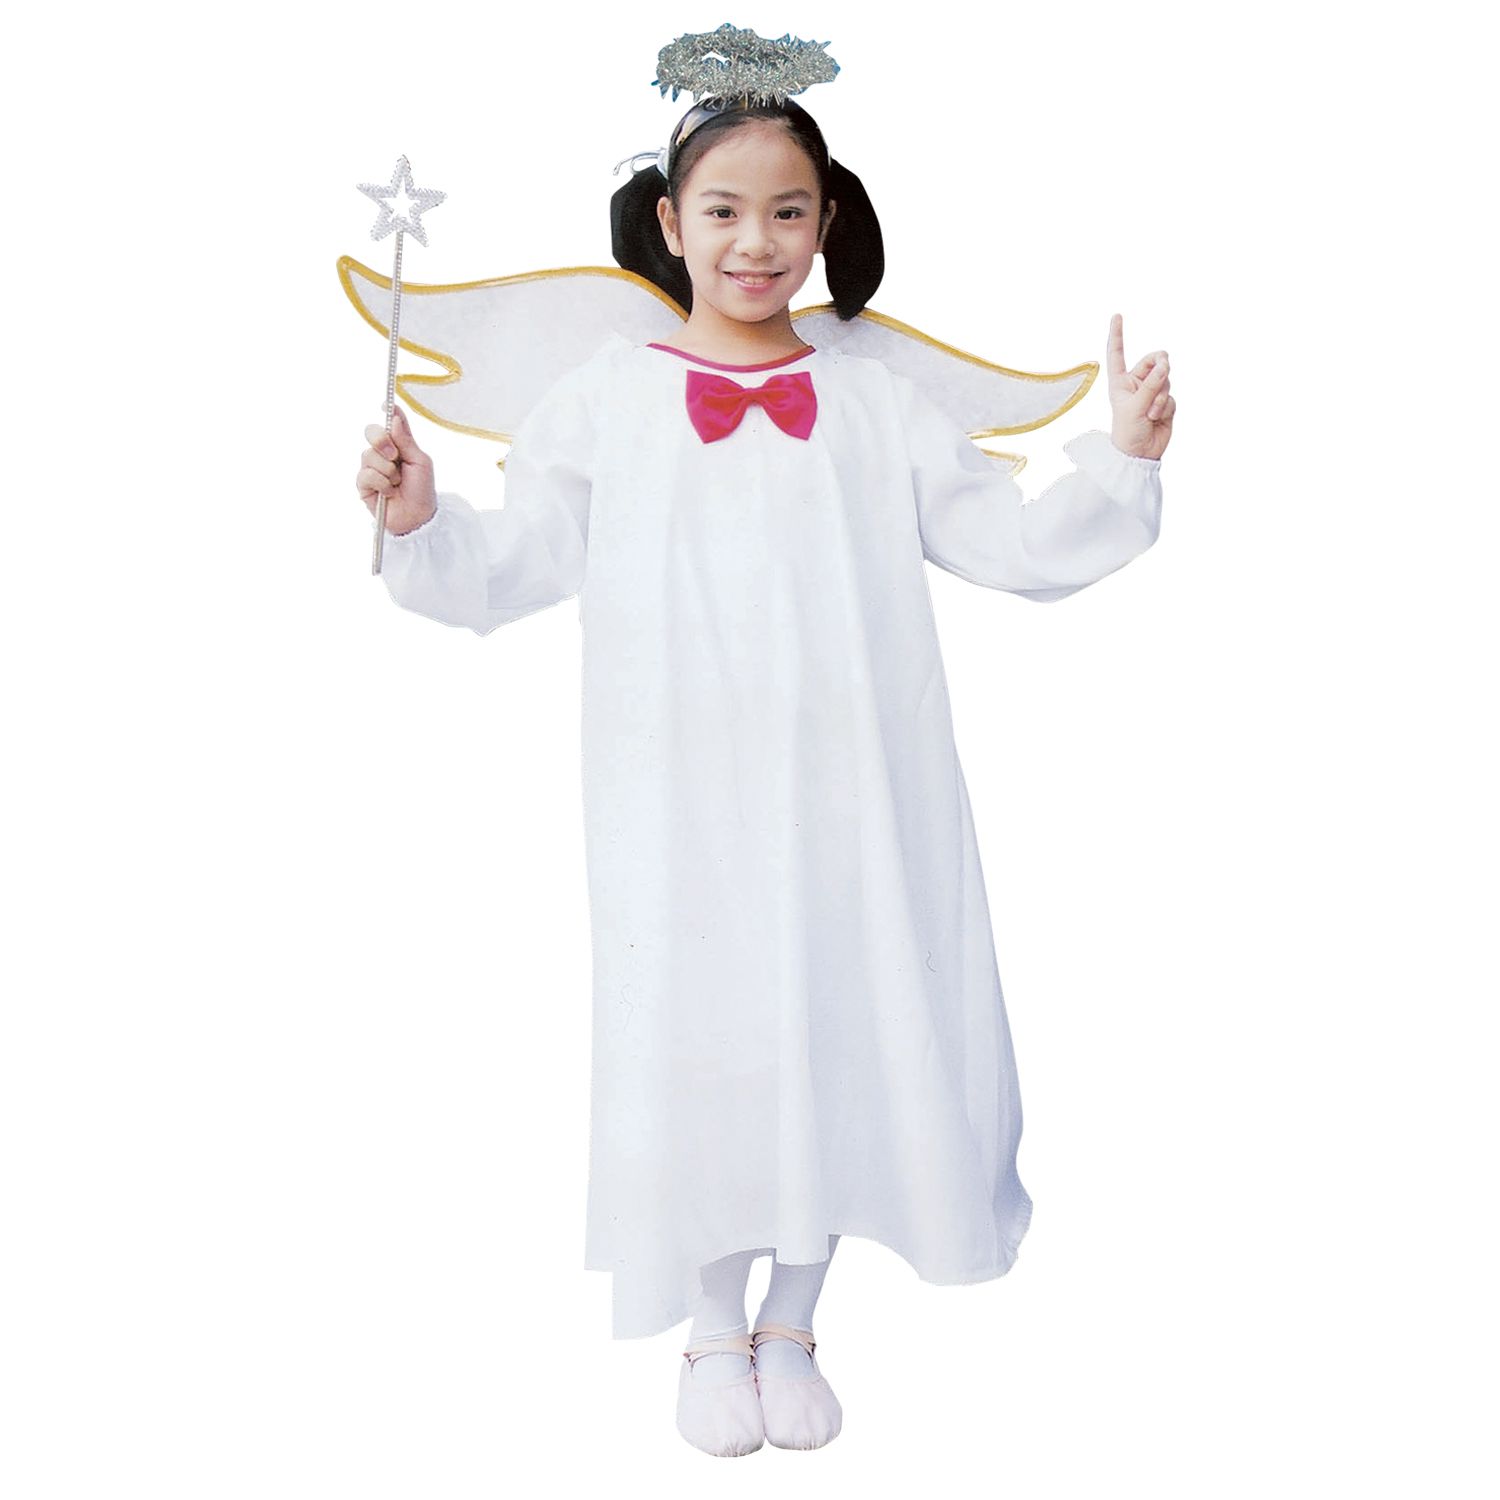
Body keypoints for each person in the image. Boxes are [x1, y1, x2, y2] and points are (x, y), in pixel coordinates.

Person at [354, 93, 1173, 1458]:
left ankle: (794, 1318)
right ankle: (707, 1322)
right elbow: (517, 561)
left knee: (843, 1023)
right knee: (701, 1033)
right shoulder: (605, 399)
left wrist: (1123, 464)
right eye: (724, 211)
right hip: (677, 798)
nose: (757, 241)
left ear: (827, 221)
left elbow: (1008, 541)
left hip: (852, 792)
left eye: (788, 211)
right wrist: (423, 522)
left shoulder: (874, 399)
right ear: (670, 223)